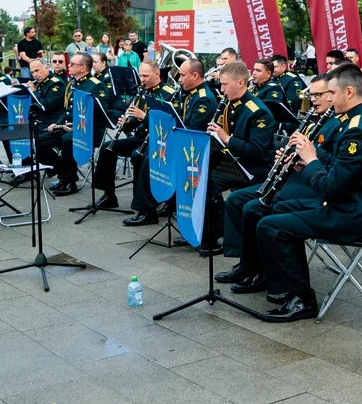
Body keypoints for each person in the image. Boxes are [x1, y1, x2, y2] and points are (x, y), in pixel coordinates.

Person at [252, 63, 362, 321]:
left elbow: (330, 187)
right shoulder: (353, 122)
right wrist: (305, 163)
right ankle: (285, 288)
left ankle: (302, 299)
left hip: (352, 215)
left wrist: (312, 159)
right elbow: (337, 167)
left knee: (271, 226)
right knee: (276, 208)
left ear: (349, 92)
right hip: (345, 205)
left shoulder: (358, 129)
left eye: (332, 93)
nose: (329, 99)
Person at [215, 73, 345, 297]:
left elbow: (331, 164)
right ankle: (248, 265)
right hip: (295, 179)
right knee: (236, 200)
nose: (314, 100)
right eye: (312, 95)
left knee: (254, 209)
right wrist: (288, 156)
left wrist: (307, 154)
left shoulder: (336, 125)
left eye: (320, 95)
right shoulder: (314, 120)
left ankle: (262, 272)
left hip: (309, 188)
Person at [123, 57, 217, 226]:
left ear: (195, 76)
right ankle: (159, 203)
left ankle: (147, 211)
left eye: (183, 75)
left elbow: (190, 130)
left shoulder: (204, 98)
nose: (179, 79)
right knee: (144, 156)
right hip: (178, 142)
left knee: (148, 159)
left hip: (192, 150)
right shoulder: (187, 93)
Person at [203, 60, 276, 256]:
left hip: (255, 168)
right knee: (200, 175)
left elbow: (257, 151)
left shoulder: (258, 112)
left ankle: (222, 238)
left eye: (225, 85)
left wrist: (227, 139)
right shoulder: (230, 103)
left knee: (210, 182)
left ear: (241, 83)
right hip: (235, 161)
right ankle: (208, 232)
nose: (221, 89)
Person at [84, 61, 177, 210]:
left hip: (157, 141)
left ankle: (145, 207)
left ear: (157, 74)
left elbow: (167, 125)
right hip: (141, 138)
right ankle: (109, 195)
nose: (142, 79)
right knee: (107, 148)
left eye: (146, 76)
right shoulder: (143, 91)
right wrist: (127, 122)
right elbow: (135, 120)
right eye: (141, 75)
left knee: (137, 156)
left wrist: (143, 116)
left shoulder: (168, 93)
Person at [41, 53, 113, 196]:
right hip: (69, 127)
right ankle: (61, 172)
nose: (68, 66)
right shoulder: (72, 84)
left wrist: (78, 126)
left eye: (72, 64)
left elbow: (100, 114)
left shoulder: (96, 86)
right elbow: (67, 110)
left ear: (83, 68)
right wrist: (57, 124)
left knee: (68, 141)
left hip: (90, 130)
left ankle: (70, 181)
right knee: (41, 139)